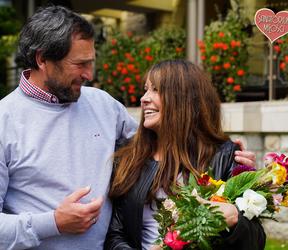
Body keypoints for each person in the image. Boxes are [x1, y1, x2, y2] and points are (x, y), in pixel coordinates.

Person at [0, 5, 255, 250]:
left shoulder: (102, 104)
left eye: (91, 62)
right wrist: (53, 222)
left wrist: (223, 151)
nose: (89, 74)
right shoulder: (5, 120)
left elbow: (165, 137)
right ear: (42, 59)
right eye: (80, 64)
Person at [104, 59, 266, 250]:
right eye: (146, 89)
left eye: (156, 90)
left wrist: (234, 219)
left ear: (183, 99)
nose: (144, 98)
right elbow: (115, 233)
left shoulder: (223, 156)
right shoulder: (129, 158)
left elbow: (255, 241)